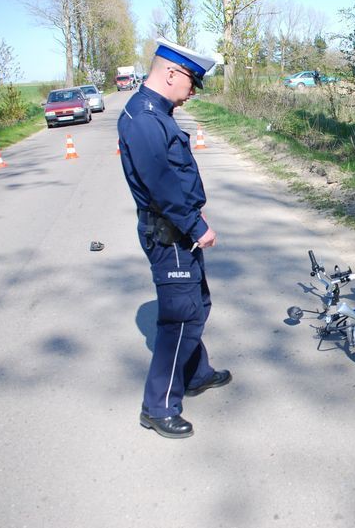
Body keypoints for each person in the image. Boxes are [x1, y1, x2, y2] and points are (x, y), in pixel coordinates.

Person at [118, 38, 231, 439]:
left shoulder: (155, 113)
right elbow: (162, 186)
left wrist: (194, 215)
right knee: (180, 319)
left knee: (197, 304)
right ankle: (159, 406)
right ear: (170, 73)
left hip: (179, 230)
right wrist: (197, 226)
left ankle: (196, 373)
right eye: (190, 82)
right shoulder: (145, 119)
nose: (192, 92)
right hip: (171, 235)